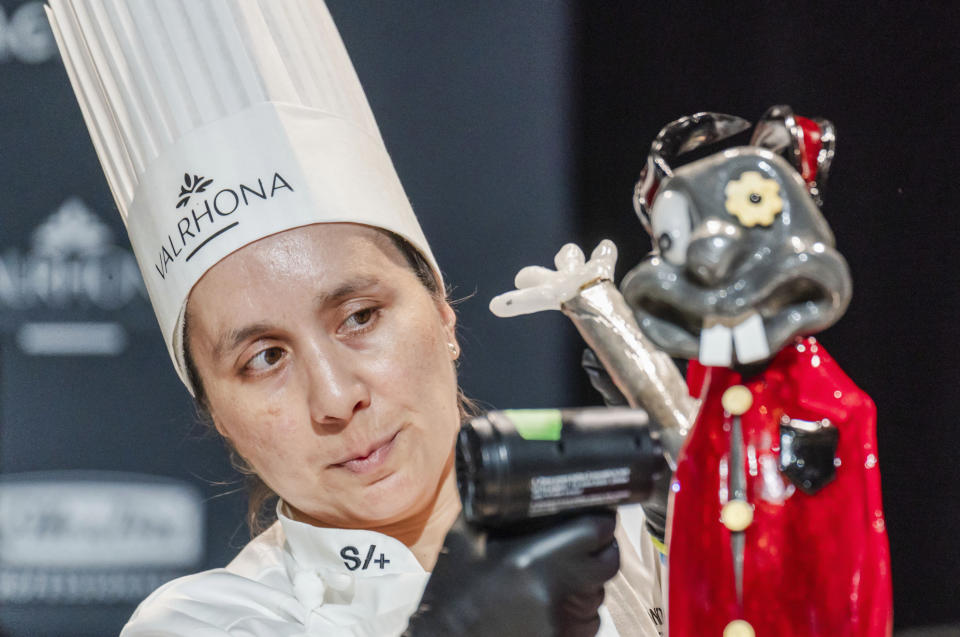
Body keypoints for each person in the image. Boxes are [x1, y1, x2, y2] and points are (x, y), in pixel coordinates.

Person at [46, 1, 665, 635]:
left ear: (443, 312)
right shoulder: (210, 623)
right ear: (219, 416)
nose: (337, 398)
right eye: (264, 359)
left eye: (360, 317)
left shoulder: (638, 532)